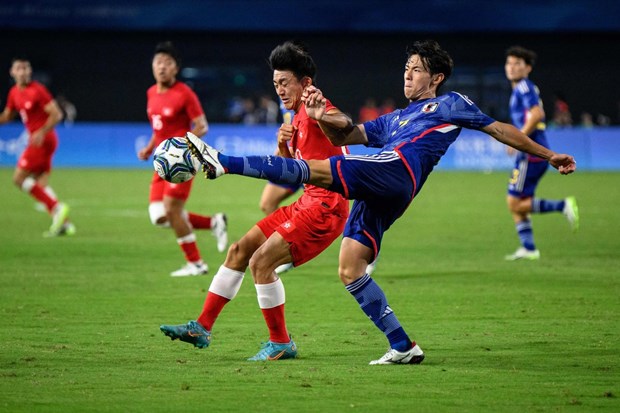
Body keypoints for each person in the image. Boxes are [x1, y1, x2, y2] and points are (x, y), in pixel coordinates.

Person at [184, 39, 577, 364]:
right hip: (388, 191)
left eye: (417, 69)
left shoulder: (448, 104)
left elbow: (500, 129)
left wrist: (548, 154)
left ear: (436, 77)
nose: (408, 73)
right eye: (407, 67)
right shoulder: (394, 119)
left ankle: (222, 161)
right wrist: (323, 117)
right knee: (350, 267)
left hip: (398, 170)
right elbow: (346, 135)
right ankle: (403, 346)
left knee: (319, 170)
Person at [160, 41, 351, 361]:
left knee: (261, 263)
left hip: (326, 208)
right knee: (239, 250)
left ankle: (281, 342)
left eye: (285, 82)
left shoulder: (319, 108)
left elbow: (342, 125)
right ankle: (201, 328)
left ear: (306, 83)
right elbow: (289, 174)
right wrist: (282, 148)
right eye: (275, 83)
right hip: (307, 201)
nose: (278, 89)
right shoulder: (294, 118)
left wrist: (327, 117)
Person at [137, 41, 227, 277]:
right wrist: (149, 147)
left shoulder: (184, 93)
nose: (162, 67)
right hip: (162, 161)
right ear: (153, 66)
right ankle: (213, 223)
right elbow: (159, 129)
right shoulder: (150, 93)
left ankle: (196, 264)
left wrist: (181, 145)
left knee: (172, 209)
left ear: (176, 68)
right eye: (159, 62)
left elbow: (202, 126)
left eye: (168, 63)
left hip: (183, 161)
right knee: (159, 216)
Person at [503, 46, 579, 261]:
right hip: (530, 153)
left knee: (514, 202)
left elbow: (537, 114)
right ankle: (529, 248)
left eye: (518, 64)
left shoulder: (524, 87)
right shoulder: (520, 89)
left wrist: (518, 138)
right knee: (518, 203)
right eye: (509, 63)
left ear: (527, 68)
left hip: (531, 154)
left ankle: (562, 205)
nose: (512, 67)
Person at [0, 57, 75, 237]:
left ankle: (57, 208)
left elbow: (56, 114)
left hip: (43, 139)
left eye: (26, 68)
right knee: (40, 185)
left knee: (19, 178)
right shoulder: (14, 93)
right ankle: (64, 225)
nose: (23, 71)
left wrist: (41, 131)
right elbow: (8, 116)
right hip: (39, 139)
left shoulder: (38, 91)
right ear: (12, 72)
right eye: (19, 68)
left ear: (30, 71)